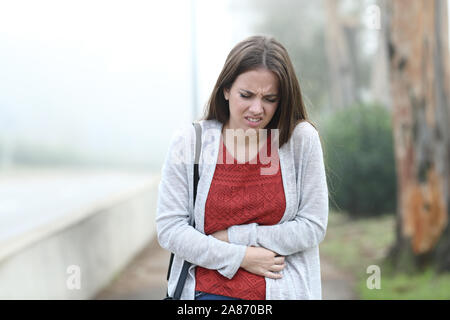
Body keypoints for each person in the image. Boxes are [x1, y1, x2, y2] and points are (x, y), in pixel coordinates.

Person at [156, 35, 329, 300]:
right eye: (246, 95)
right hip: (205, 293)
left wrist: (234, 236)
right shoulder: (190, 142)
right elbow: (171, 229)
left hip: (282, 291)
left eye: (270, 98)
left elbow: (312, 226)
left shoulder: (301, 140)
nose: (257, 109)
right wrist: (241, 257)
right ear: (226, 89)